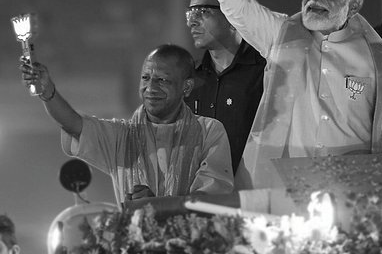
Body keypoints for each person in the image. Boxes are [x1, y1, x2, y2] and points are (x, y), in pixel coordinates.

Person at [191, 0, 382, 190]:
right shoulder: (281, 35)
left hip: (352, 192)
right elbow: (239, 7)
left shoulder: (379, 61)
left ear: (354, 6)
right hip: (283, 188)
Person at [20, 44, 234, 204]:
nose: (150, 88)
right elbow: (74, 125)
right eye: (145, 78)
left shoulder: (209, 131)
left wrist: (157, 205)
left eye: (162, 80)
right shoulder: (123, 136)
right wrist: (47, 92)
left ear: (186, 87)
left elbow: (212, 199)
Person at [185, 0, 266, 174]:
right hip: (201, 196)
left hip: (251, 193)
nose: (192, 22)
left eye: (202, 11)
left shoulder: (266, 71)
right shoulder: (190, 77)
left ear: (232, 14)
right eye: (190, 13)